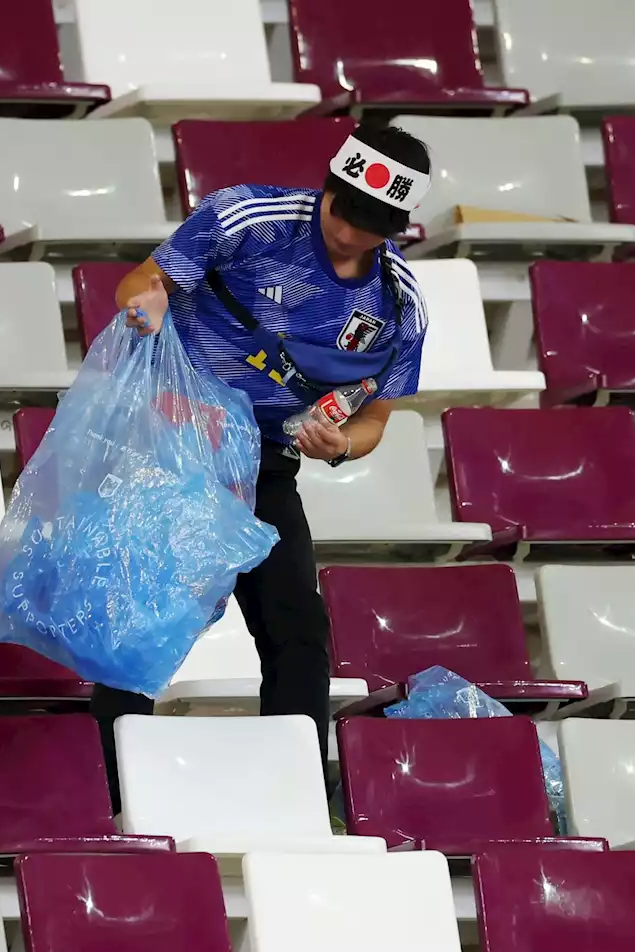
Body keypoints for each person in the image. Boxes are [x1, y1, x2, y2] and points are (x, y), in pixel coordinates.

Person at [95, 123, 433, 800]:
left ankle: (296, 794)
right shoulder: (246, 218)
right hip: (173, 441)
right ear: (328, 186)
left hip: (265, 463)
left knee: (299, 630)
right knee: (145, 621)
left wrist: (341, 445)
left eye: (372, 225)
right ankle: (118, 794)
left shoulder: (399, 303)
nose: (349, 233)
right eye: (344, 210)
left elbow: (374, 421)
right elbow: (142, 280)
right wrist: (145, 304)